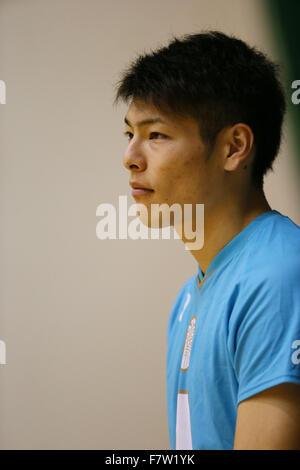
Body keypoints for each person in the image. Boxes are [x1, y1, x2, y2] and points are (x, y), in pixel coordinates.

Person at [113, 31, 300, 450]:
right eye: (129, 134)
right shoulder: (187, 299)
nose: (130, 156)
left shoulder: (279, 276)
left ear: (234, 147)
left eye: (155, 135)